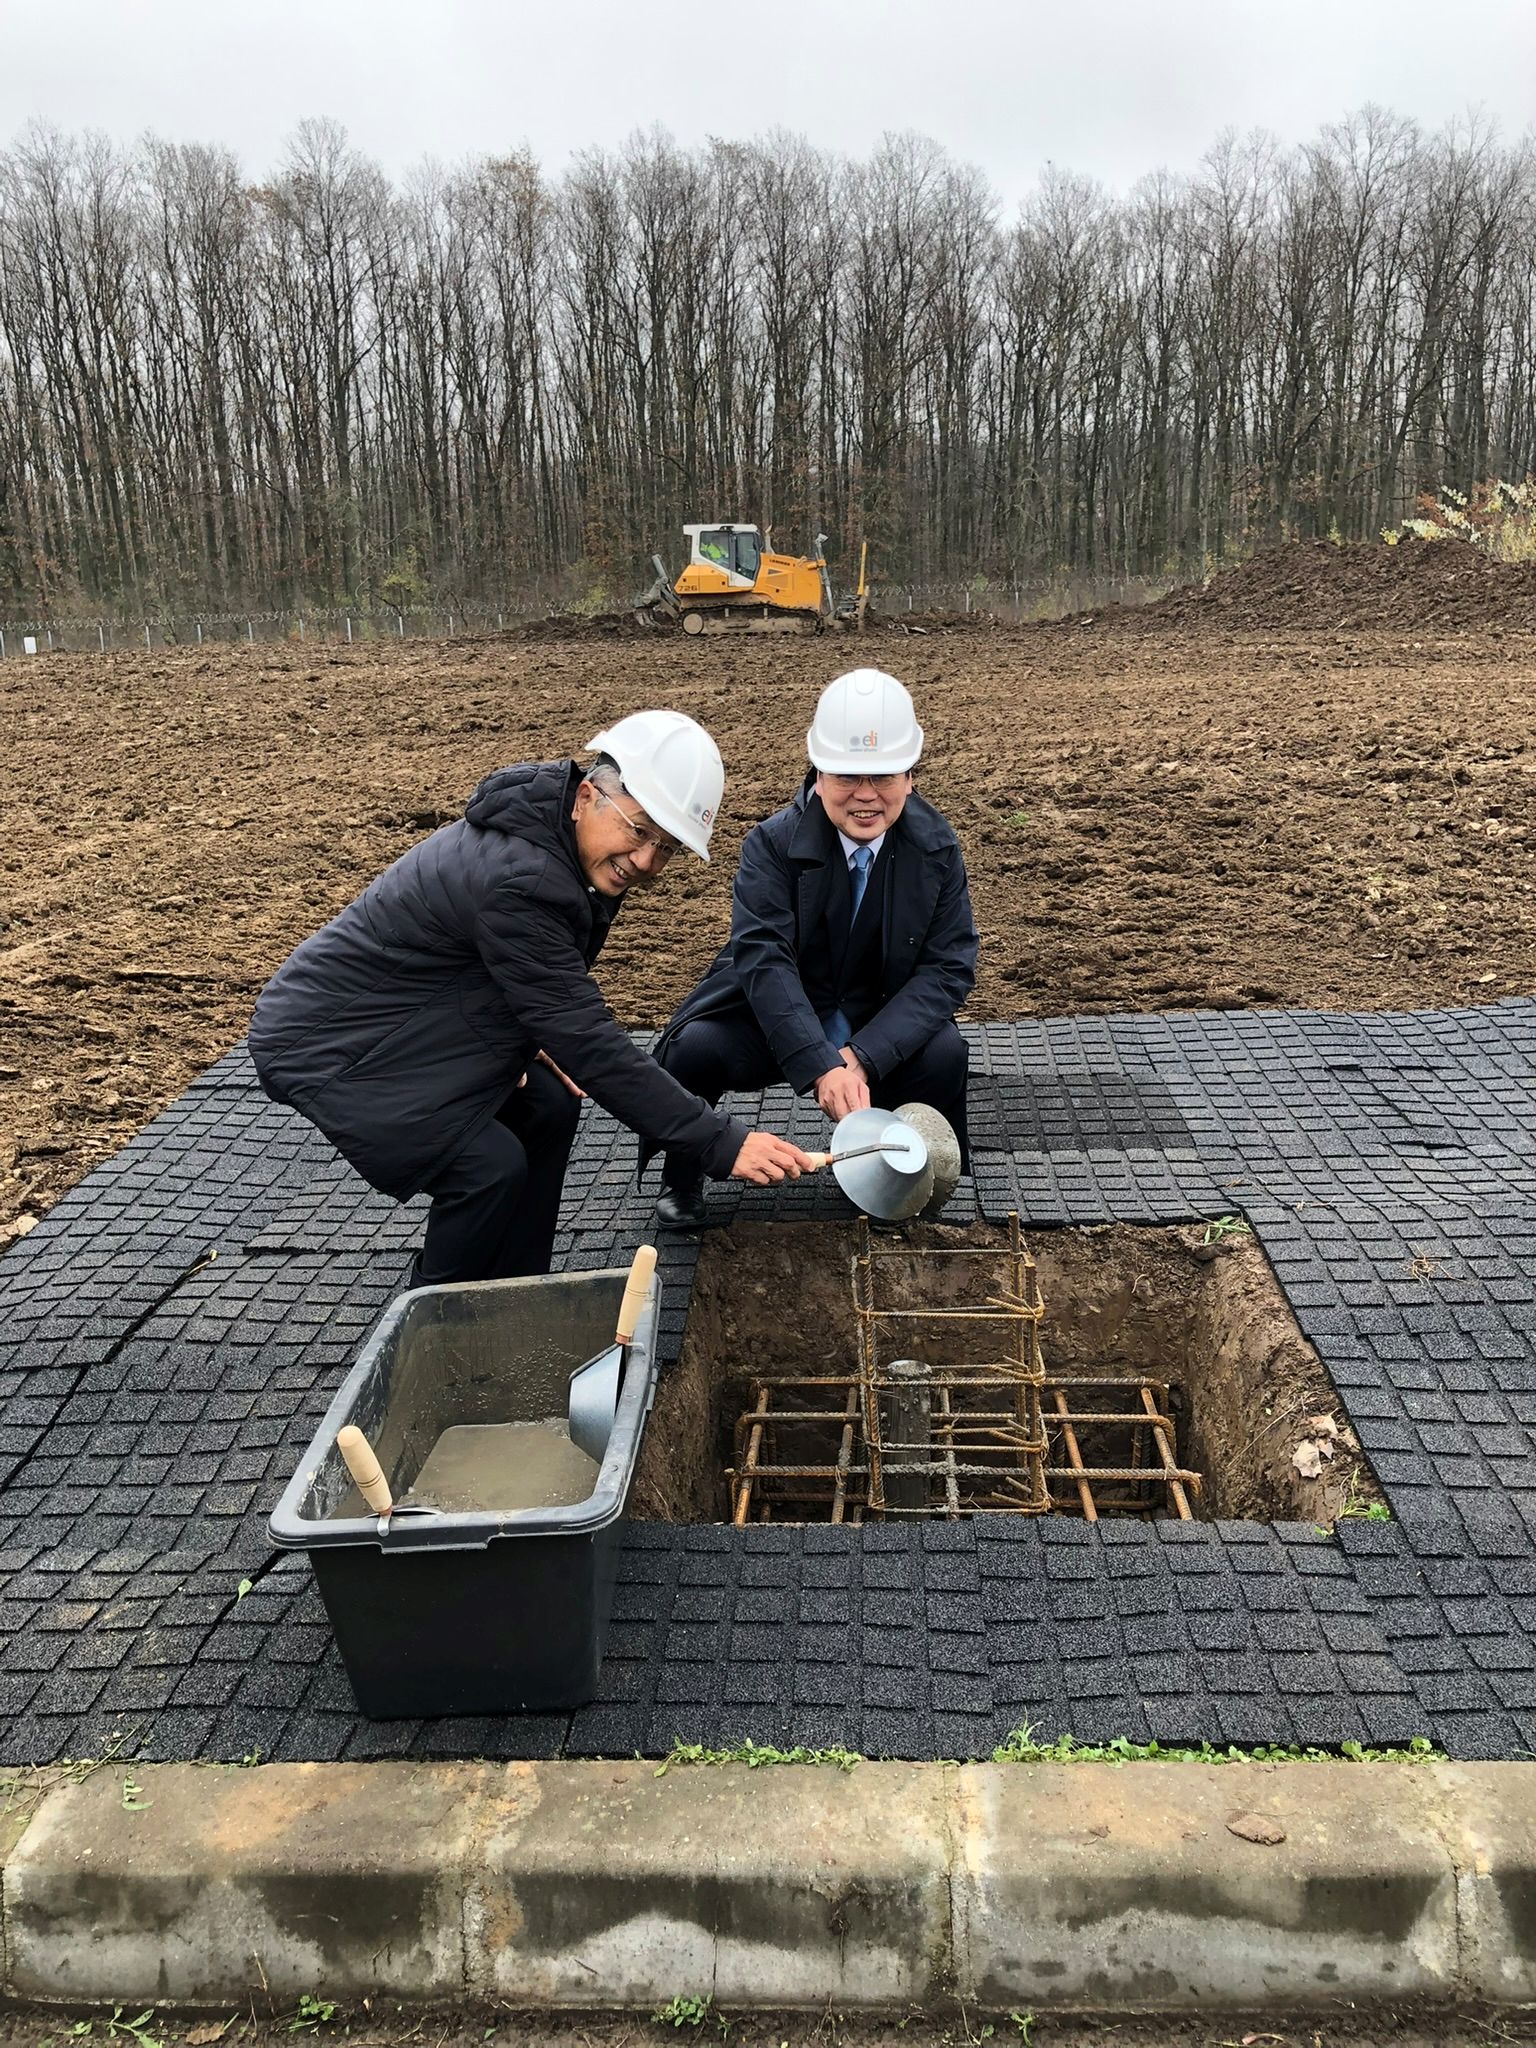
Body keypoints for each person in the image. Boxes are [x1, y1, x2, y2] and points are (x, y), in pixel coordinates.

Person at [247, 710, 813, 1285]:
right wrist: (717, 1141)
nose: (645, 861)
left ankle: (513, 1298)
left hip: (400, 1014)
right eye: (639, 830)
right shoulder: (524, 879)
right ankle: (431, 1328)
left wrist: (523, 1037)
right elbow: (585, 1037)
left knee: (548, 1103)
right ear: (586, 796)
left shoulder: (556, 844)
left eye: (666, 848)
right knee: (486, 1169)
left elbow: (513, 980)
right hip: (329, 1040)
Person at [648, 668, 978, 1228]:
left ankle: (911, 1180)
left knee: (945, 1052)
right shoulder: (771, 845)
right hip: (781, 1017)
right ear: (818, 772)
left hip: (877, 1015)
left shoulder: (937, 847)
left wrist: (867, 1054)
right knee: (693, 1049)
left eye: (885, 775)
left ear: (911, 776)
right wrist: (821, 1063)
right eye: (848, 774)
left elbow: (948, 968)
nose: (867, 795)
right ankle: (683, 1175)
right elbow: (764, 960)